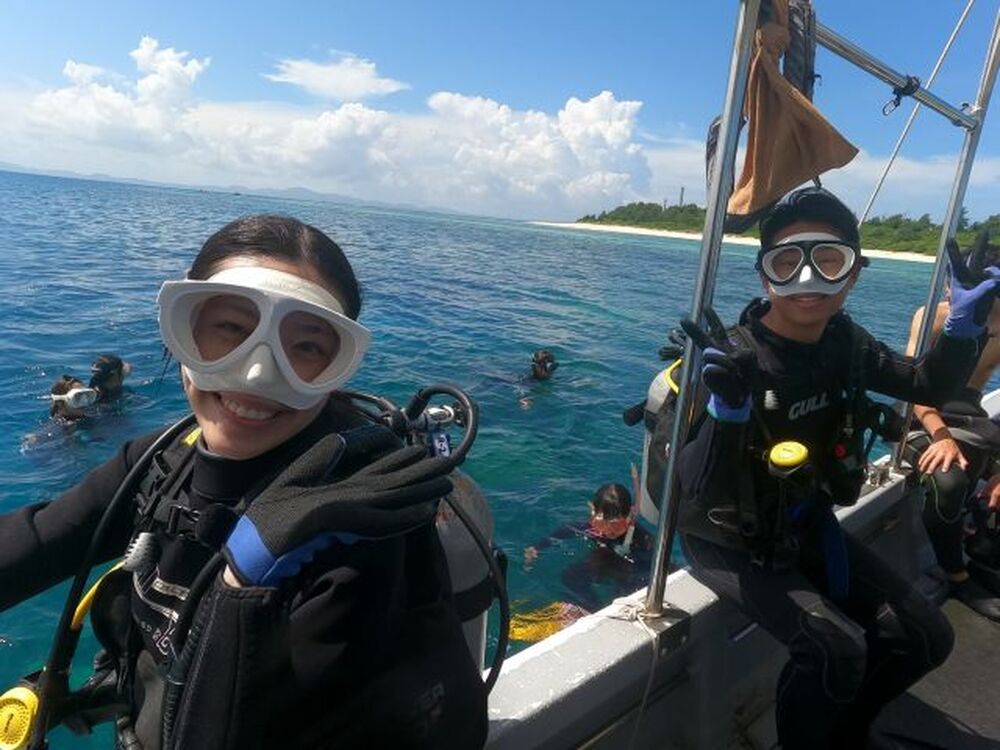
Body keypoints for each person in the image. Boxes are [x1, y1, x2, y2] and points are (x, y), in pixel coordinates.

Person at [0, 215, 487, 749]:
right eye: (231, 329)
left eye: (306, 348)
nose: (257, 376)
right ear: (183, 331)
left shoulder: (359, 530)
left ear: (338, 367)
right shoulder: (165, 457)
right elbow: (40, 538)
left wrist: (244, 591)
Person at [676, 187, 999, 750]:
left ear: (852, 274)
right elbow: (696, 491)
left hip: (804, 524)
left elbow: (925, 384)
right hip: (729, 539)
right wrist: (727, 412)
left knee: (925, 636)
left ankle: (847, 738)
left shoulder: (845, 341)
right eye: (786, 261)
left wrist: (963, 330)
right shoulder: (732, 359)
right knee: (834, 649)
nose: (808, 278)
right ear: (765, 276)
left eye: (828, 260)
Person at [902, 231, 1000, 622]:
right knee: (949, 482)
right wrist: (940, 436)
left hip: (972, 418)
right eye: (952, 282)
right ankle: (957, 577)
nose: (953, 291)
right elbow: (911, 387)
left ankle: (983, 550)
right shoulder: (934, 316)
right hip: (923, 416)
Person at [524, 468, 653, 612]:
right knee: (571, 576)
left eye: (615, 525)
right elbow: (567, 530)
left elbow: (648, 568)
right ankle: (591, 608)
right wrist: (537, 547)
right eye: (602, 523)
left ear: (630, 515)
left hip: (630, 570)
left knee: (628, 589)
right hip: (605, 559)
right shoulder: (594, 529)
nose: (608, 531)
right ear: (593, 512)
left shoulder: (642, 540)